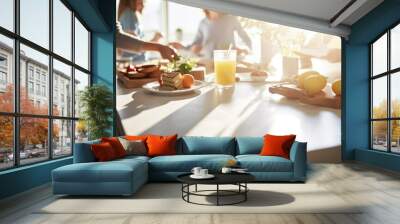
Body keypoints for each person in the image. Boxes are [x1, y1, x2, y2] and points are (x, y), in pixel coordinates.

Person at [170, 10, 252, 59]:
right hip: (209, 61)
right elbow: (195, 43)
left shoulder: (231, 19)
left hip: (228, 60)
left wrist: (247, 49)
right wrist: (183, 47)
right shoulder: (203, 23)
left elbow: (244, 36)